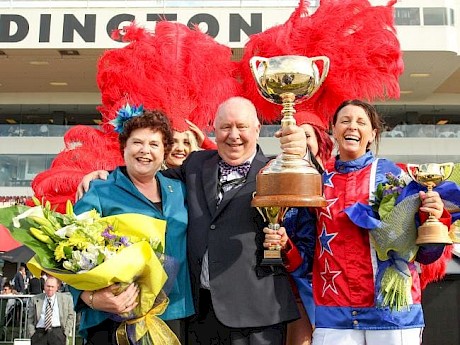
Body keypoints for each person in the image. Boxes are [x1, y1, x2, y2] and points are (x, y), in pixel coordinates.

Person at [77, 96, 307, 345]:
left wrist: (301, 152)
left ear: (257, 129)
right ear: (214, 131)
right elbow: (146, 173)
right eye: (225, 127)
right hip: (198, 314)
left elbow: (312, 191)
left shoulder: (276, 171)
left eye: (241, 127)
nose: (233, 135)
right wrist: (106, 175)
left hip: (257, 313)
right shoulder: (196, 164)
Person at [266, 100, 452, 345]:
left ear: (372, 134)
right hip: (335, 317)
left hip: (392, 315)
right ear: (333, 129)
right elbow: (305, 261)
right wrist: (284, 246)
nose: (352, 126)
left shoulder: (396, 177)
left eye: (361, 122)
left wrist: (433, 217)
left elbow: (426, 255)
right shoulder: (317, 184)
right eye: (345, 121)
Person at [71, 109, 194, 344]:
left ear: (164, 152)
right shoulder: (99, 190)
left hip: (173, 312)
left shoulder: (180, 190)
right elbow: (66, 250)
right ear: (124, 148)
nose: (145, 150)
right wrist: (90, 298)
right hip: (114, 313)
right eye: (137, 142)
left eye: (154, 144)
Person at [282, 110, 334, 345]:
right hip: (292, 285)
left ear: (320, 141)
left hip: (329, 286)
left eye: (306, 136)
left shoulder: (334, 177)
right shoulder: (282, 177)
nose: (298, 140)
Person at [27, 276, 75, 345]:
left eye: (52, 287)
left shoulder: (66, 299)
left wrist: (65, 333)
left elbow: (71, 316)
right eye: (48, 286)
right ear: (44, 286)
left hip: (58, 333)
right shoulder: (35, 299)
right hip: (39, 333)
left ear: (57, 288)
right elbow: (30, 318)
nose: (50, 289)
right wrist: (32, 333)